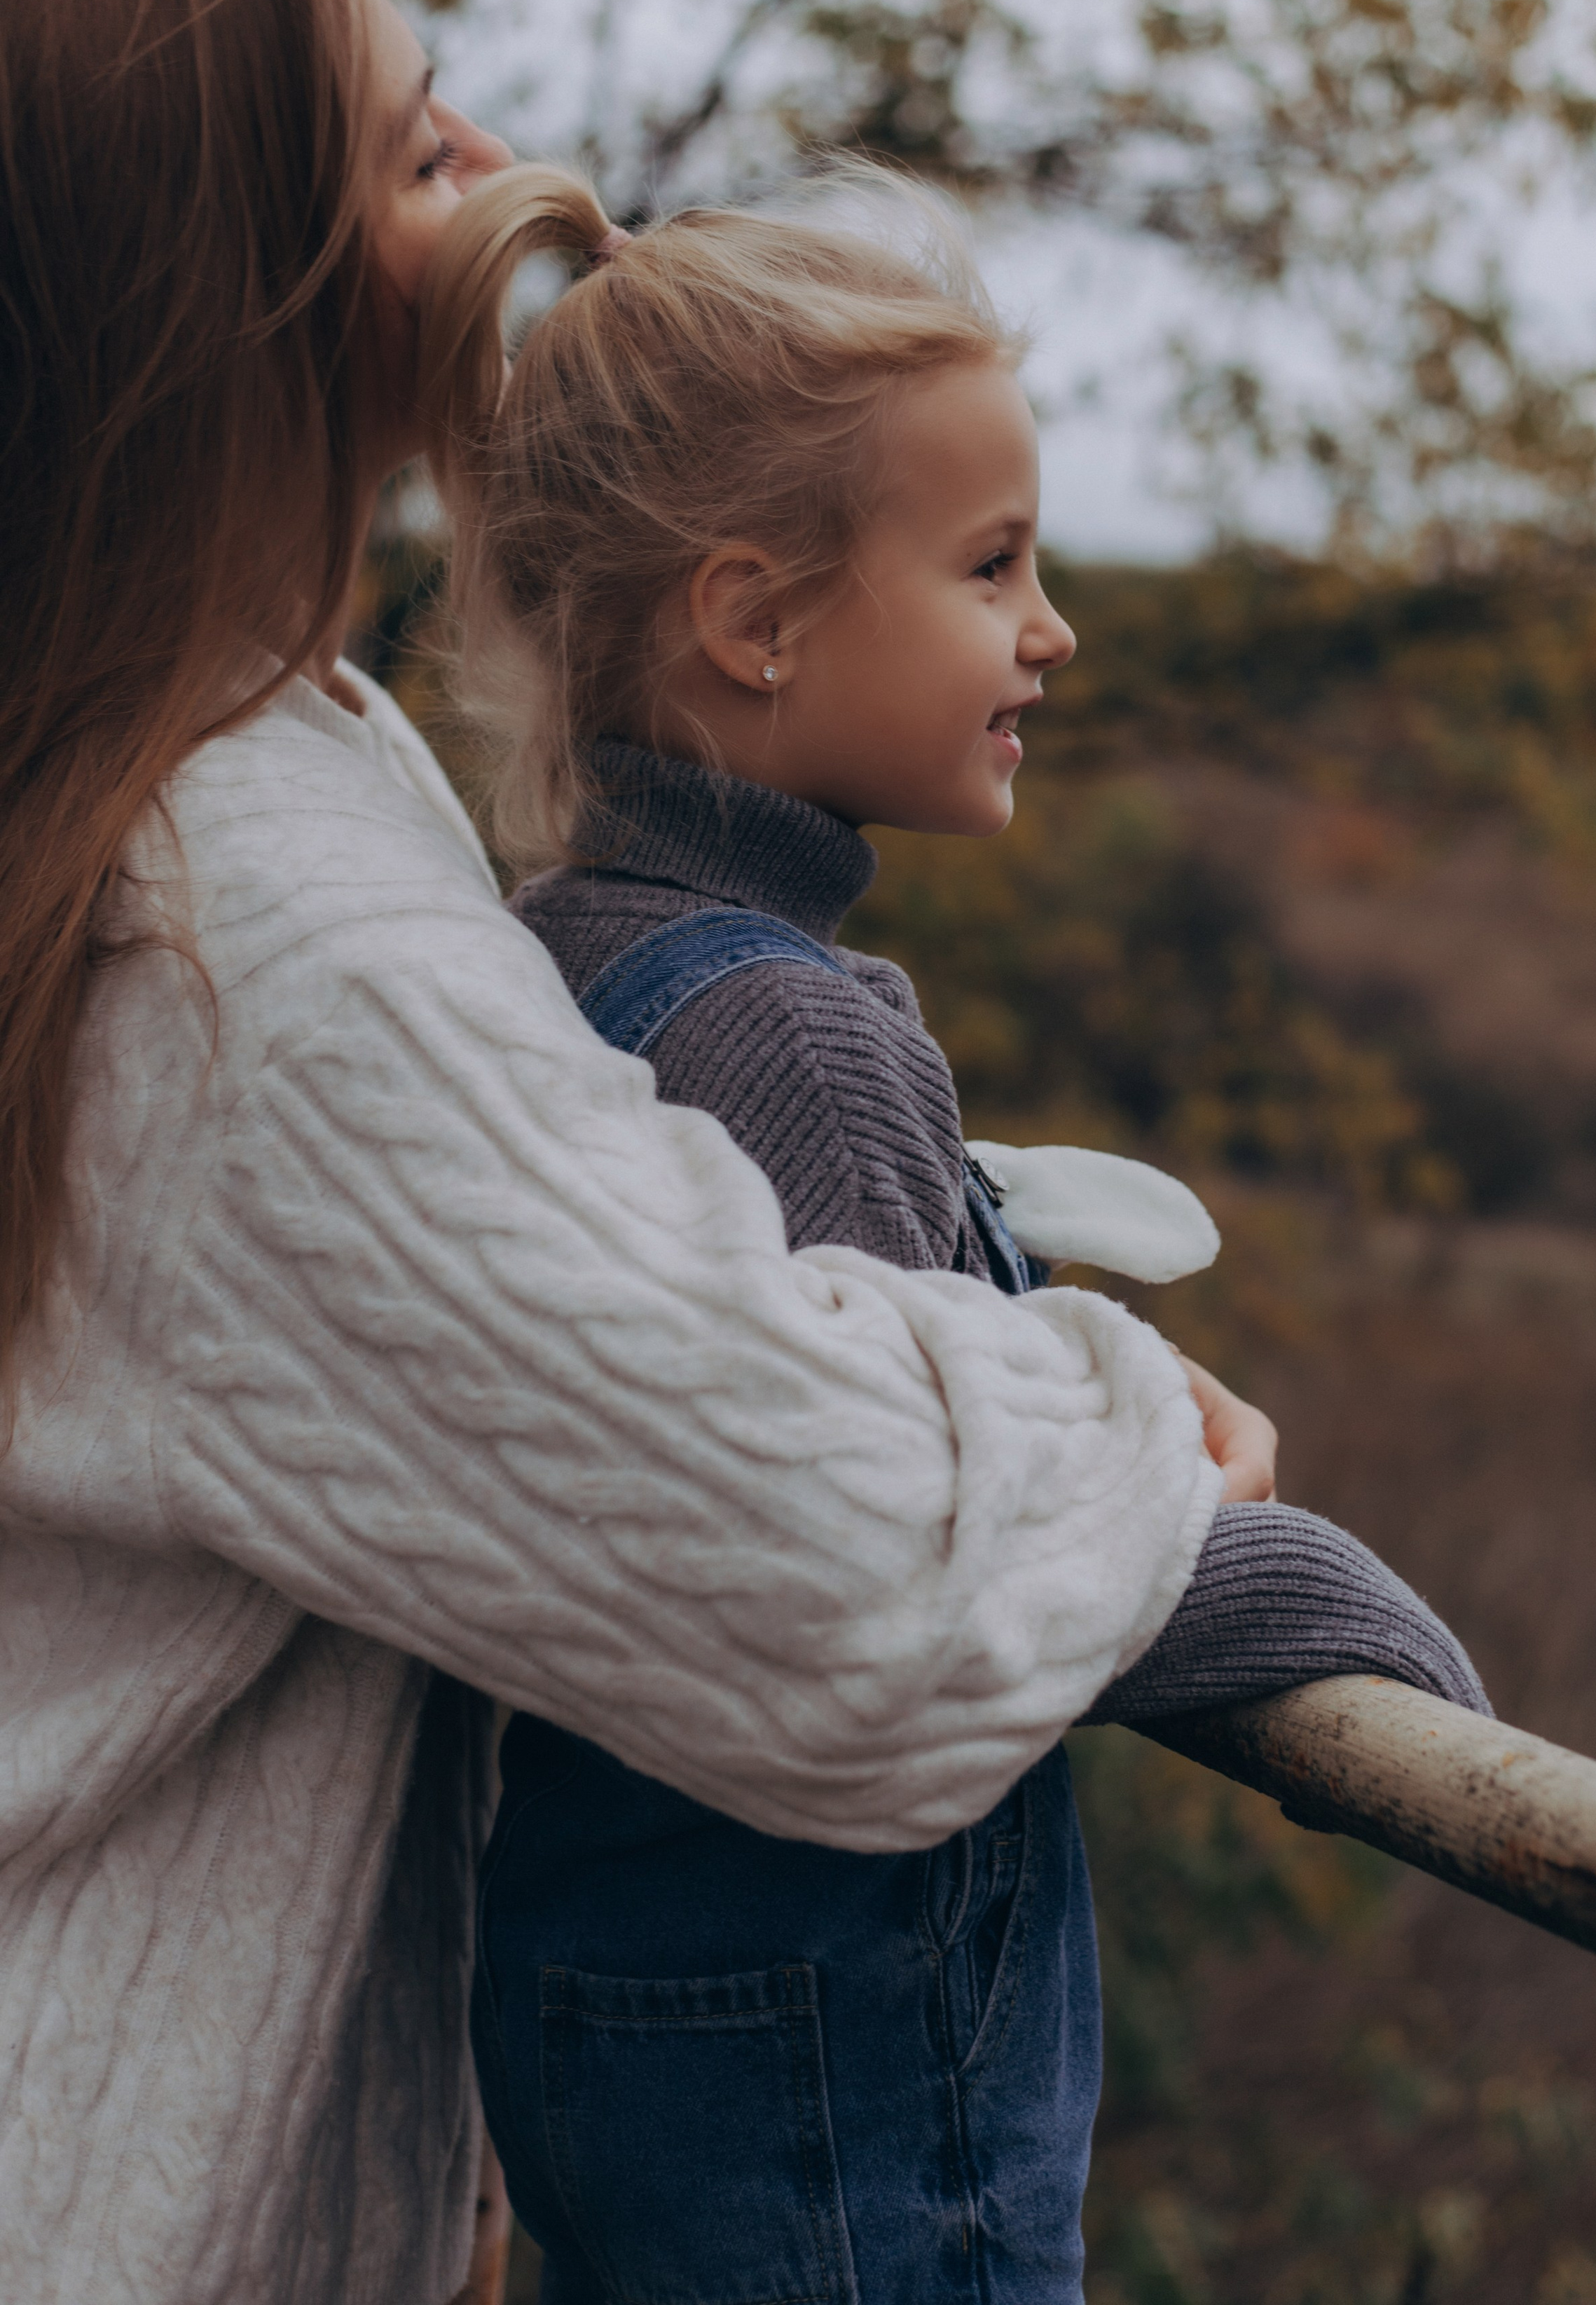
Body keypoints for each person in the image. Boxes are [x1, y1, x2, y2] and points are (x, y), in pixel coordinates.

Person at [0, 0, 1333, 2305]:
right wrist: (1119, 1414)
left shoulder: (190, 770)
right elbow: (844, 1579)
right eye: (416, 144)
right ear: (246, 276)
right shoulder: (234, 932)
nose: (501, 169)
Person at [418, 167, 1490, 2301]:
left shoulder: (562, 961)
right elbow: (952, 1551)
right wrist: (1368, 1636)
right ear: (755, 621)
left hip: (637, 2015)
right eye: (992, 565)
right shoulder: (787, 1039)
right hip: (840, 2086)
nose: (1054, 626)